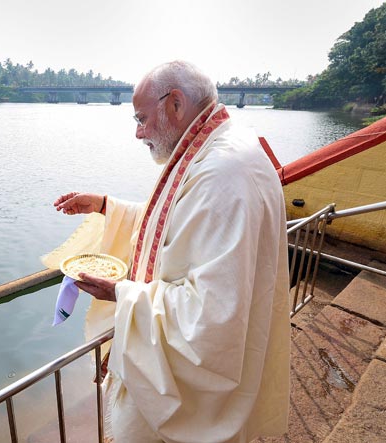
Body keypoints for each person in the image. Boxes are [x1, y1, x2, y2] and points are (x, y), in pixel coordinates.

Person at [51, 61, 290, 443]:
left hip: (193, 403)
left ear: (175, 104)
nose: (138, 132)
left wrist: (120, 293)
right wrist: (106, 206)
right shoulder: (218, 147)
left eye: (142, 118)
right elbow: (176, 224)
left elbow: (211, 316)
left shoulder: (222, 174)